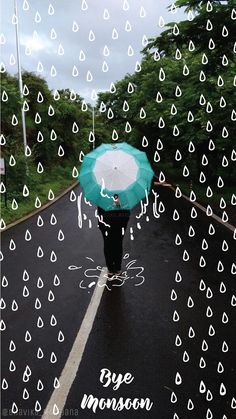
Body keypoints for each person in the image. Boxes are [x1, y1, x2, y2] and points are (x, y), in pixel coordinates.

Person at [97, 195, 130, 277]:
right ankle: (117, 267)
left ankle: (111, 268)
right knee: (117, 243)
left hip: (107, 221)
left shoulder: (102, 188)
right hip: (119, 221)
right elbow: (127, 210)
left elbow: (100, 208)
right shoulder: (124, 190)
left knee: (108, 243)